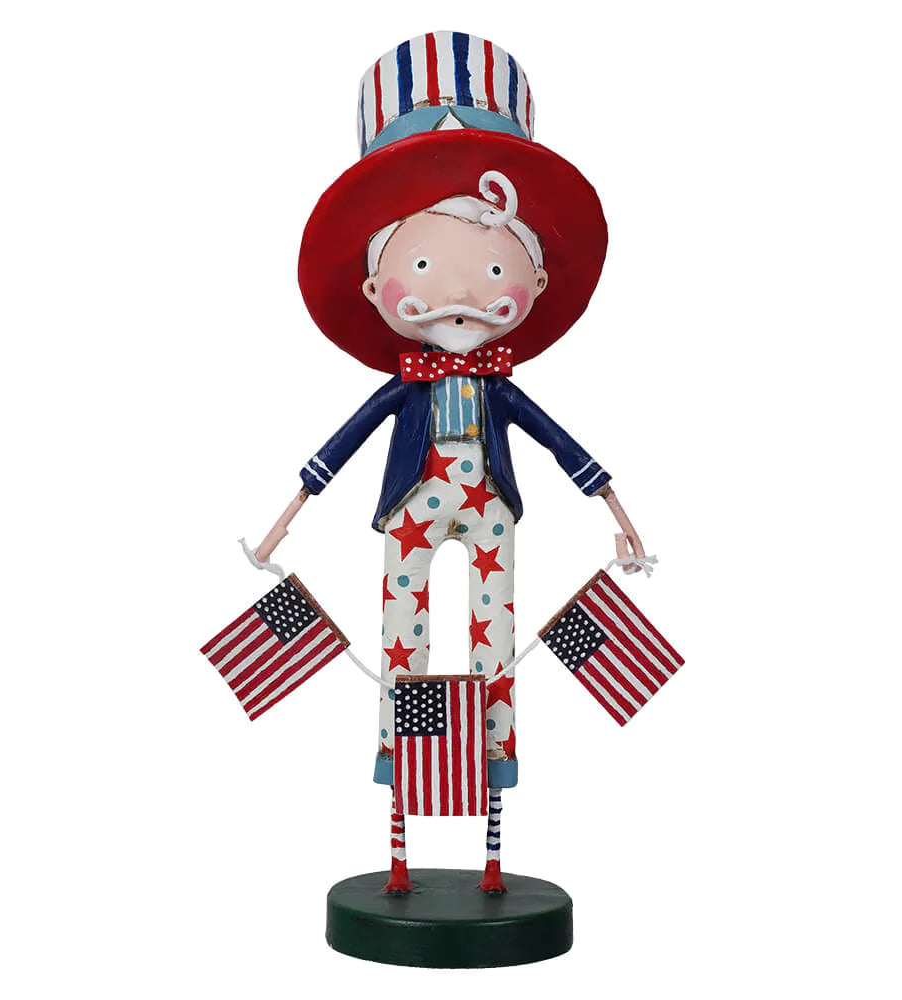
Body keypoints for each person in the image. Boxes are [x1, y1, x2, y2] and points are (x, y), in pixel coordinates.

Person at [253, 31, 645, 894]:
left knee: (494, 642)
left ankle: (494, 817)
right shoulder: (407, 384)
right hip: (411, 509)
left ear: (534, 286)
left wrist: (616, 512)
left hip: (493, 509)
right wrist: (285, 521)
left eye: (494, 266)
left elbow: (563, 445)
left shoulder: (498, 384)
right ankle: (399, 817)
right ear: (374, 288)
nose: (463, 291)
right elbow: (339, 447)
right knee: (404, 642)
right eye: (426, 264)